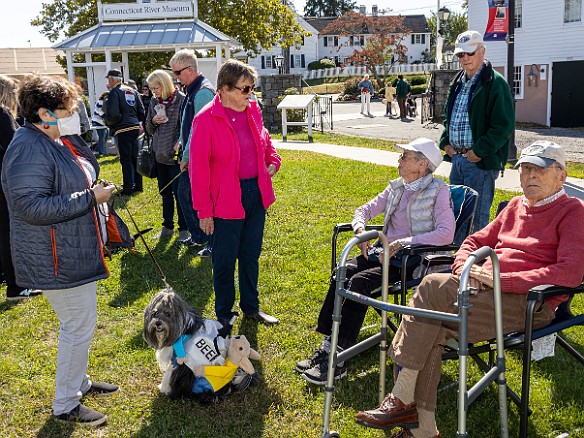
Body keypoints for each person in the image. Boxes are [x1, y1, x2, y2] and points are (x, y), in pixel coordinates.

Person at [355, 142, 584, 438]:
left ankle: (403, 401)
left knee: (431, 288)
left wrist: (499, 279)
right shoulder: (515, 206)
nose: (529, 176)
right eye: (525, 169)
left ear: (561, 176)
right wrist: (464, 268)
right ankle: (422, 427)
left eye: (538, 169)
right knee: (431, 324)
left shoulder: (572, 211)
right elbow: (473, 242)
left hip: (529, 303)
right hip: (484, 293)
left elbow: (569, 272)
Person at [1, 74, 119, 427]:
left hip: (70, 249)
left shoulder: (49, 139)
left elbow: (64, 181)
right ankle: (66, 403)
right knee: (77, 327)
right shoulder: (28, 146)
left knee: (82, 323)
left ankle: (78, 383)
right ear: (43, 112)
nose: (72, 114)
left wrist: (91, 187)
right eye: (66, 109)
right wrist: (89, 198)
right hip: (55, 255)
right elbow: (30, 207)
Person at [296, 138, 456, 385]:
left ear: (423, 165)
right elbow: (364, 210)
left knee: (358, 282)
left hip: (410, 261)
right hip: (382, 255)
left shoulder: (438, 191)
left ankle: (339, 359)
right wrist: (360, 230)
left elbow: (446, 233)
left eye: (405, 156)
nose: (399, 160)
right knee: (343, 271)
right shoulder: (397, 187)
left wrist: (404, 243)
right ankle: (329, 344)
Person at [190, 59, 281, 326]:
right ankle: (224, 314)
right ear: (224, 89)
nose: (249, 93)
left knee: (251, 255)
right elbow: (198, 170)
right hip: (226, 198)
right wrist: (204, 211)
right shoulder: (205, 119)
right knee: (225, 260)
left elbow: (265, 140)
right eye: (244, 88)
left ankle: (251, 307)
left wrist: (273, 159)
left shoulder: (252, 109)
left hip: (256, 191)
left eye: (251, 87)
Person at [439, 30, 514, 232]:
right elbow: (450, 116)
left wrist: (478, 152)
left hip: (479, 162)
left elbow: (503, 126)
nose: (465, 58)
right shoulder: (458, 81)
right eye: (460, 55)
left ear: (482, 51)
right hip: (458, 159)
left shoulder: (495, 83)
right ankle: (455, 259)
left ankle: (474, 261)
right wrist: (445, 142)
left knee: (476, 218)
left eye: (469, 53)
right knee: (455, 214)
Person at [169, 49, 215, 256]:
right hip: (193, 152)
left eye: (177, 73)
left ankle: (211, 242)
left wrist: (187, 157)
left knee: (200, 198)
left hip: (203, 156)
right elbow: (189, 124)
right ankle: (198, 237)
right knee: (185, 195)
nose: (175, 78)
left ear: (189, 70)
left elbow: (200, 130)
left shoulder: (203, 92)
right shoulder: (192, 90)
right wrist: (181, 140)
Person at [0, 74, 42, 301]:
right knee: (9, 234)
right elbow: (16, 148)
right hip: (6, 183)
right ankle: (16, 287)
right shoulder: (2, 114)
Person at [145, 69, 188, 240]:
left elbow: (188, 127)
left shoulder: (181, 100)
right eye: (152, 89)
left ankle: (184, 229)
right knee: (165, 193)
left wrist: (180, 142)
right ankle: (167, 227)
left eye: (156, 88)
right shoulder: (154, 102)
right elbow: (148, 128)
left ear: (165, 84)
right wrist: (153, 121)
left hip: (176, 157)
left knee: (180, 194)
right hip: (159, 156)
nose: (154, 92)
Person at [103, 69, 145, 196]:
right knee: (134, 158)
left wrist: (110, 123)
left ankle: (128, 188)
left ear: (111, 79)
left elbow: (113, 114)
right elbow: (141, 112)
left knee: (126, 160)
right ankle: (138, 185)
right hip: (134, 127)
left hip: (123, 129)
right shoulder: (133, 91)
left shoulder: (114, 93)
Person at [91, 91, 109, 156]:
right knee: (102, 137)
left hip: (102, 122)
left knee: (105, 136)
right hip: (98, 122)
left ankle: (96, 149)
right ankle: (103, 152)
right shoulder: (101, 102)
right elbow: (101, 113)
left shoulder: (103, 102)